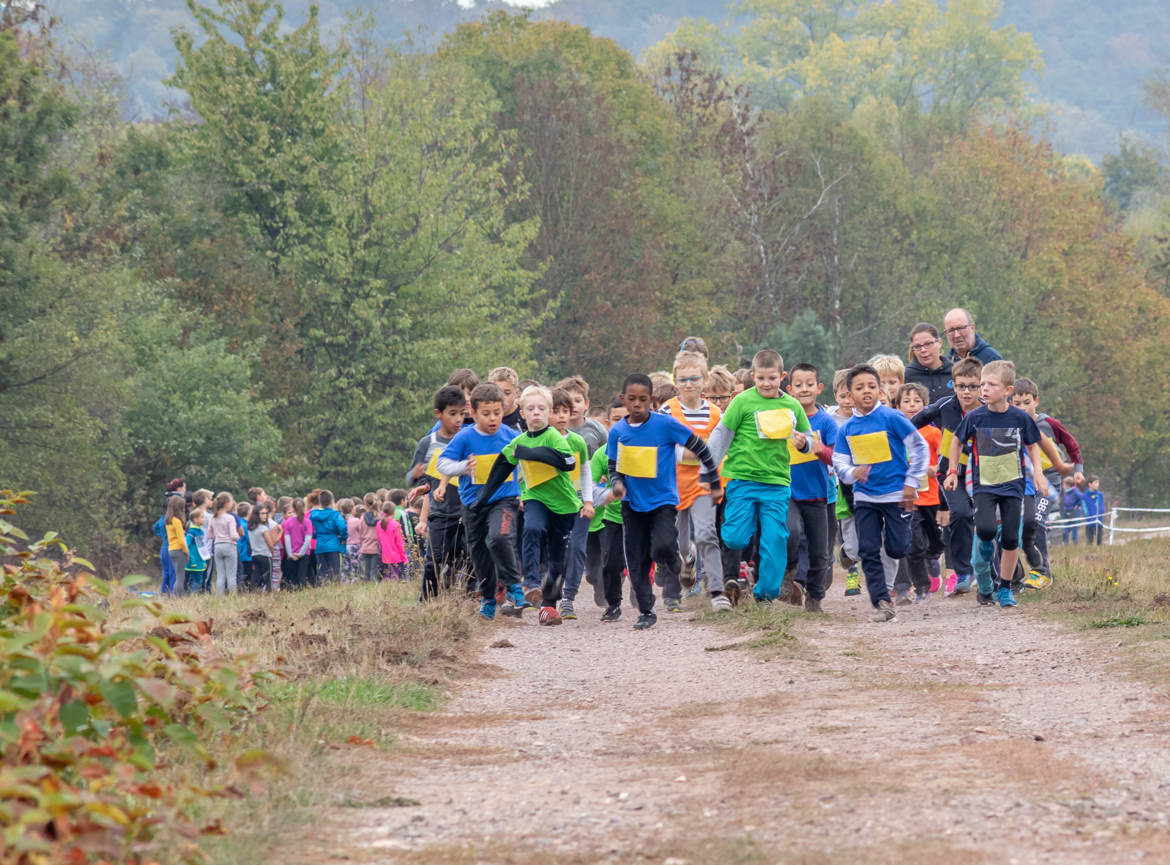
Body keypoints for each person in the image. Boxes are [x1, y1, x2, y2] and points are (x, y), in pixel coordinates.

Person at [607, 373, 722, 629]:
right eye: (632, 399)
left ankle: (678, 564)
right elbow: (614, 466)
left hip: (663, 501)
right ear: (623, 399)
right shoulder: (617, 432)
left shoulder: (665, 425)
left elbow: (701, 447)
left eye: (643, 399)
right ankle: (646, 611)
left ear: (652, 401)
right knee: (636, 560)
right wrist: (617, 484)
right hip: (633, 504)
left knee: (661, 547)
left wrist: (713, 479)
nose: (637, 404)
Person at [706, 350, 811, 606]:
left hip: (776, 484)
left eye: (772, 378)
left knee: (776, 538)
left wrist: (804, 443)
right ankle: (741, 556)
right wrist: (708, 470)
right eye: (761, 378)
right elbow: (721, 436)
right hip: (742, 481)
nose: (766, 383)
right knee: (735, 538)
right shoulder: (742, 402)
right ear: (753, 376)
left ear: (782, 377)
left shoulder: (792, 405)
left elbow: (810, 439)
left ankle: (765, 593)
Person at [476, 384, 585, 626]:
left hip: (564, 504)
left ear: (549, 413)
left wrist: (531, 453)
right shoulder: (519, 442)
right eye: (531, 408)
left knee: (558, 557)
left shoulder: (554, 436)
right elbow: (502, 465)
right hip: (535, 497)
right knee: (532, 528)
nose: (536, 412)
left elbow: (567, 463)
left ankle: (549, 606)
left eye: (542, 408)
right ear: (522, 413)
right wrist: (483, 498)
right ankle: (532, 584)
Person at [944, 360, 1046, 608]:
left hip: (1013, 485)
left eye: (991, 384)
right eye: (982, 384)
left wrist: (1039, 473)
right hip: (984, 485)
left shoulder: (1020, 418)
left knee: (1012, 539)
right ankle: (984, 570)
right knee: (987, 531)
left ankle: (1004, 588)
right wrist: (952, 471)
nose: (984, 389)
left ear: (1008, 390)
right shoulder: (976, 417)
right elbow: (956, 442)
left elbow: (1032, 446)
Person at [833, 364, 929, 622]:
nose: (867, 391)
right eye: (860, 387)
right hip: (864, 497)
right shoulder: (847, 429)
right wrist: (852, 473)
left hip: (896, 495)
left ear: (881, 389)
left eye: (872, 386)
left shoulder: (892, 418)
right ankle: (882, 602)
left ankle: (900, 538)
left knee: (897, 548)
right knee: (869, 549)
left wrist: (911, 482)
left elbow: (919, 448)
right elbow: (839, 461)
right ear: (849, 394)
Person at [437, 381, 526, 620]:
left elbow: (527, 465)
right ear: (472, 412)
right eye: (486, 414)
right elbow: (442, 464)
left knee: (499, 537)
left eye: (497, 413)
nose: (493, 419)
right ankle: (487, 599)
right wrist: (463, 467)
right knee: (479, 553)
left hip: (504, 499)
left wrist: (525, 494)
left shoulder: (511, 436)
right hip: (473, 504)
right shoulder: (464, 437)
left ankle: (515, 587)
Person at [912, 356, 984, 595]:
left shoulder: (987, 409)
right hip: (950, 474)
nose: (966, 392)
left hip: (983, 473)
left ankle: (1002, 575)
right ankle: (962, 572)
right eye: (961, 386)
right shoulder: (944, 406)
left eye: (972, 386)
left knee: (989, 523)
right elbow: (915, 422)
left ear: (981, 386)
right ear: (953, 385)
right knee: (961, 514)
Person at [661, 352, 724, 611]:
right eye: (683, 380)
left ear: (705, 380)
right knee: (679, 541)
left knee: (708, 533)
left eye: (694, 379)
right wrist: (682, 453)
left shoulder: (715, 413)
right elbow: (658, 445)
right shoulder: (667, 411)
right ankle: (688, 558)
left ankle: (717, 591)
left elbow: (722, 445)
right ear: (675, 381)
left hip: (703, 483)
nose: (688, 384)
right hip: (673, 484)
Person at [782, 362, 837, 613]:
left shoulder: (826, 422)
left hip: (818, 494)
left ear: (819, 387)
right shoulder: (783, 420)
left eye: (810, 384)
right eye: (799, 385)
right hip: (787, 492)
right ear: (790, 389)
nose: (804, 389)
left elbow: (837, 458)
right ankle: (789, 574)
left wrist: (819, 449)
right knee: (791, 533)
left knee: (820, 552)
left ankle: (814, 597)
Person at [409, 385, 469, 599]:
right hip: (441, 510)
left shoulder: (469, 438)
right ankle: (427, 601)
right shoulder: (428, 443)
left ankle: (471, 599)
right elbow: (414, 478)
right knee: (434, 559)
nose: (458, 419)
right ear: (439, 414)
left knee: (470, 555)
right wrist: (420, 481)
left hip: (468, 508)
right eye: (452, 414)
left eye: (462, 414)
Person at [896, 383, 944, 603]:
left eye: (917, 401)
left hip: (932, 496)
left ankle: (933, 559)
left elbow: (945, 459)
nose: (912, 405)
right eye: (906, 401)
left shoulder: (933, 433)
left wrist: (936, 469)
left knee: (933, 542)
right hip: (909, 498)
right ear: (898, 406)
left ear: (925, 406)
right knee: (914, 544)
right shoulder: (896, 432)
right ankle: (922, 587)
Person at [549, 387, 594, 620]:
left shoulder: (577, 441)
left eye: (565, 411)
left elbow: (586, 473)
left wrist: (588, 501)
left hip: (577, 505)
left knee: (577, 549)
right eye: (555, 411)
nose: (561, 416)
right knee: (556, 552)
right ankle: (550, 596)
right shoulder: (541, 440)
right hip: (551, 506)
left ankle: (568, 598)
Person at [904, 323, 954, 405]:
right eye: (917, 346)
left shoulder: (955, 371)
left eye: (928, 344)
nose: (923, 350)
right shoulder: (907, 376)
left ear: (939, 342)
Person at [559, 375, 608, 455]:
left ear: (586, 404)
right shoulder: (554, 431)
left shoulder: (598, 429)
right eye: (568, 401)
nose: (573, 405)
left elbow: (607, 456)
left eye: (577, 401)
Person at [310, 490, 348, 583]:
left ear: (320, 502)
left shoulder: (314, 514)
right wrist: (343, 537)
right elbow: (342, 526)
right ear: (332, 501)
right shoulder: (334, 514)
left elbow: (307, 529)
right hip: (333, 544)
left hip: (320, 545)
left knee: (322, 572)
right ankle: (334, 591)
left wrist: (316, 535)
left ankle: (323, 589)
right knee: (334, 572)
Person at [209, 491, 242, 595]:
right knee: (231, 575)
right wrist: (238, 536)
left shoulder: (213, 518)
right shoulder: (230, 518)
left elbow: (210, 535)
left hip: (217, 546)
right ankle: (232, 595)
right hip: (229, 546)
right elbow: (233, 535)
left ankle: (219, 596)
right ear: (227, 503)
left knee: (220, 574)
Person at [247, 502, 281, 592]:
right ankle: (269, 592)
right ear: (256, 515)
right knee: (268, 576)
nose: (265, 516)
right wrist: (272, 553)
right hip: (265, 555)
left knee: (256, 575)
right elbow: (270, 544)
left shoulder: (250, 528)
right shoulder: (263, 528)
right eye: (262, 513)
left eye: (266, 513)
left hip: (255, 554)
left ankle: (252, 591)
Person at [282, 498, 313, 590]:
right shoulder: (307, 522)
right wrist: (301, 553)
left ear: (293, 508)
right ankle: (301, 593)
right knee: (302, 576)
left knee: (293, 576)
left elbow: (287, 539)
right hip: (304, 554)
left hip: (292, 554)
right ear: (304, 507)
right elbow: (308, 540)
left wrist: (290, 554)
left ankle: (293, 592)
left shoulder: (288, 522)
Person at [163, 493, 188, 595]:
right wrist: (186, 552)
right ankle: (178, 596)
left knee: (178, 575)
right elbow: (181, 540)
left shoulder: (168, 520)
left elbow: (174, 535)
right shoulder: (177, 521)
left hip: (171, 549)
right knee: (180, 577)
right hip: (178, 549)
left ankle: (175, 595)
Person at [377, 500, 408, 580]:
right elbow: (400, 543)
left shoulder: (379, 524)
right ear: (394, 512)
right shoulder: (396, 524)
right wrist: (404, 558)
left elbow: (380, 539)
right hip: (396, 557)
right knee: (396, 578)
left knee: (386, 577)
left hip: (385, 556)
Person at [488, 366, 523, 430]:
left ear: (516, 393)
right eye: (496, 392)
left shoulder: (525, 417)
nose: (502, 398)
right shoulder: (484, 418)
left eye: (507, 393)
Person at [358, 493, 382, 582]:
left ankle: (366, 589)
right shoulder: (380, 517)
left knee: (365, 572)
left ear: (365, 504)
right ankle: (374, 589)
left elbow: (360, 532)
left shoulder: (362, 517)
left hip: (365, 547)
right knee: (374, 572)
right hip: (376, 547)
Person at [184, 508, 209, 594]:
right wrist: (192, 560)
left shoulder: (201, 531)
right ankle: (192, 597)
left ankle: (192, 595)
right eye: (202, 517)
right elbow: (187, 546)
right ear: (195, 519)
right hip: (194, 562)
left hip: (200, 561)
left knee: (198, 580)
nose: (204, 519)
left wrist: (204, 561)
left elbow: (202, 548)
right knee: (197, 581)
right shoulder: (191, 532)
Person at [1084, 476, 1106, 545]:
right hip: (1089, 522)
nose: (1097, 485)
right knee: (1089, 541)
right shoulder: (1084, 495)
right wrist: (1089, 517)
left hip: (1098, 521)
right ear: (1090, 484)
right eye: (1095, 483)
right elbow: (1084, 508)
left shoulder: (1100, 495)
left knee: (1099, 541)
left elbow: (1102, 507)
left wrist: (1099, 514)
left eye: (1098, 483)